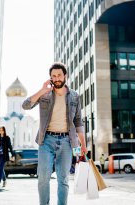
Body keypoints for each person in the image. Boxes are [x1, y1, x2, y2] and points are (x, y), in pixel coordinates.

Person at [22, 62, 87, 205]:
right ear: (50, 78)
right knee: (43, 177)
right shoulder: (45, 95)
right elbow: (25, 105)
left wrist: (83, 144)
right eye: (53, 76)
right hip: (46, 141)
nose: (57, 78)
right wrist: (41, 90)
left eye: (59, 75)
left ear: (65, 76)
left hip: (67, 142)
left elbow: (78, 122)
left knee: (63, 179)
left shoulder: (75, 96)